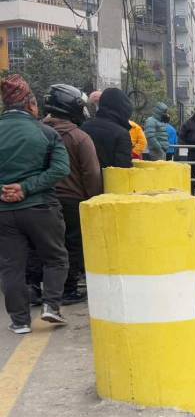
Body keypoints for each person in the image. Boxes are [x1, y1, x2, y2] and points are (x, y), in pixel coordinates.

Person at [0, 75, 70, 333]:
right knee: (55, 257)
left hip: (4, 212)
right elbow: (61, 169)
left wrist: (5, 191)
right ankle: (51, 307)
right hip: (41, 207)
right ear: (30, 104)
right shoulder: (47, 133)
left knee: (11, 266)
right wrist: (27, 187)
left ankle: (19, 322)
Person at [31, 84, 103, 305]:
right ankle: (68, 289)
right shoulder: (79, 138)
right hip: (72, 200)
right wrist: (93, 200)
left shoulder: (35, 132)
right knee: (71, 246)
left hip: (39, 198)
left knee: (39, 244)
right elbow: (91, 173)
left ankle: (33, 287)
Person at [82, 88, 135, 169]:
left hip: (85, 179)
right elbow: (123, 169)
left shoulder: (84, 127)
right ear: (123, 107)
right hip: (109, 180)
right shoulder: (121, 133)